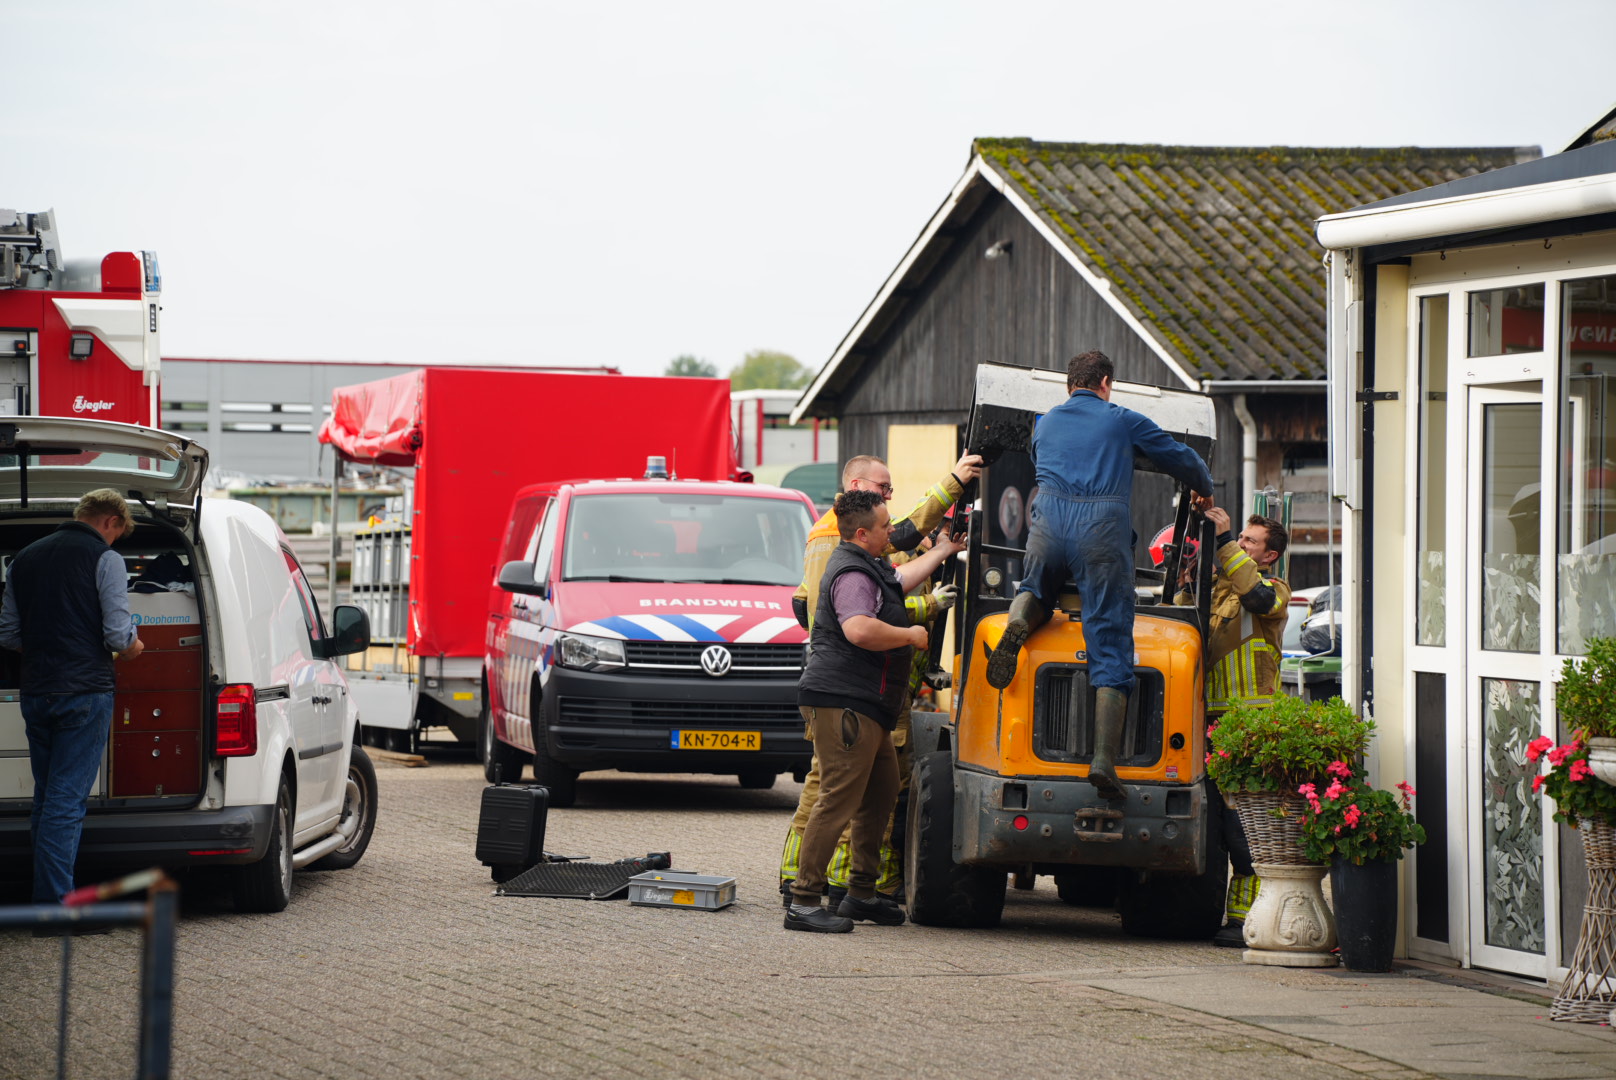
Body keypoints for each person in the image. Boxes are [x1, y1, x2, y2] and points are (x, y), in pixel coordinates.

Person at [985, 350, 1214, 800]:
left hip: (1047, 523)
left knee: (1036, 588)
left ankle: (1018, 622)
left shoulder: (1045, 422)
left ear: (1070, 384)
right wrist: (1203, 486)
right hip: (1101, 529)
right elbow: (1179, 457)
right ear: (1106, 382)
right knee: (1109, 636)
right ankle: (1104, 760)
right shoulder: (1122, 418)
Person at [779, 450, 980, 905]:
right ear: (858, 498)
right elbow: (859, 622)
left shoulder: (857, 553)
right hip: (849, 694)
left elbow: (894, 578)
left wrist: (943, 551)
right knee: (839, 796)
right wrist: (917, 624)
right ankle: (813, 893)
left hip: (864, 696)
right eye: (882, 492)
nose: (893, 518)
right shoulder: (845, 554)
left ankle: (847, 889)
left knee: (866, 789)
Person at [0, 488, 144, 906]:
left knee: (47, 798)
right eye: (117, 534)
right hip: (85, 692)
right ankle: (55, 908)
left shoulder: (24, 559)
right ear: (111, 522)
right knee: (65, 801)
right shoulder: (105, 559)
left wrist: (48, 646)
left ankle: (45, 899)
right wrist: (134, 648)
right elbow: (118, 634)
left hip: (37, 691)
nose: (114, 542)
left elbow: (8, 635)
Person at [1175, 505, 1291, 947]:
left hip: (1249, 723)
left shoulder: (1273, 590)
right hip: (1206, 720)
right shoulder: (1220, 589)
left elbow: (1256, 599)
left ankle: (1244, 921)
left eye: (1250, 541)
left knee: (1243, 825)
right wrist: (1188, 579)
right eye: (1239, 537)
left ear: (1270, 556)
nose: (1241, 543)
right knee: (1214, 822)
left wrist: (1223, 545)